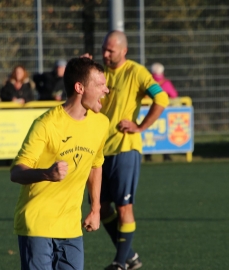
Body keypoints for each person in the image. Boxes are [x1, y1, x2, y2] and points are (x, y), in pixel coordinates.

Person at [10, 57, 109, 270]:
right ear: (79, 87)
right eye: (100, 85)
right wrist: (47, 174)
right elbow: (16, 173)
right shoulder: (46, 124)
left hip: (71, 228)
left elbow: (95, 165)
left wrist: (95, 208)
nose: (106, 90)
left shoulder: (101, 123)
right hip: (37, 224)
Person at [83, 30, 169, 270]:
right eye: (103, 48)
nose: (105, 53)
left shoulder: (136, 72)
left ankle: (120, 263)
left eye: (110, 50)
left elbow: (161, 98)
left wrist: (140, 126)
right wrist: (83, 68)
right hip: (100, 149)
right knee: (99, 206)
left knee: (124, 206)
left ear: (124, 50)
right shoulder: (98, 73)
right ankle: (129, 256)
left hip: (125, 148)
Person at [144, 62, 179, 162]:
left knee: (148, 131)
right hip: (163, 112)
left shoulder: (148, 82)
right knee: (164, 133)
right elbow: (174, 95)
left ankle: (148, 156)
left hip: (148, 112)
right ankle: (166, 155)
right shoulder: (166, 83)